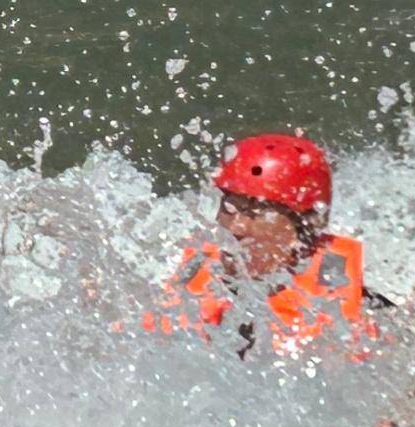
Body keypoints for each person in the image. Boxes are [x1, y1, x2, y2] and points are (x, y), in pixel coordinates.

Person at [150, 131, 383, 361]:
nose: (236, 226)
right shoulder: (195, 277)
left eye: (255, 212)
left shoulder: (357, 309)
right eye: (230, 206)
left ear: (304, 225)